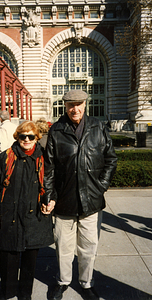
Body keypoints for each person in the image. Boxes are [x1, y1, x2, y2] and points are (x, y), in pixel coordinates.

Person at [42, 90, 117, 300]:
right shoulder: (56, 130)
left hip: (91, 202)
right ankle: (63, 282)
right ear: (65, 107)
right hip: (64, 201)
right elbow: (49, 169)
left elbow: (111, 160)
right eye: (70, 105)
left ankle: (86, 283)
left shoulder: (98, 127)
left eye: (79, 104)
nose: (75, 109)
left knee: (88, 248)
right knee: (63, 248)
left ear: (85, 105)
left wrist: (101, 186)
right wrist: (49, 195)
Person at [0, 120, 54, 300]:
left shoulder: (44, 157)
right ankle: (7, 293)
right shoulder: (6, 156)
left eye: (30, 136)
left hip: (34, 217)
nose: (26, 139)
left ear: (36, 138)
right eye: (22, 136)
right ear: (17, 137)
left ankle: (25, 295)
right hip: (9, 215)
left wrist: (51, 200)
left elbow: (51, 183)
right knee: (9, 257)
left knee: (29, 261)